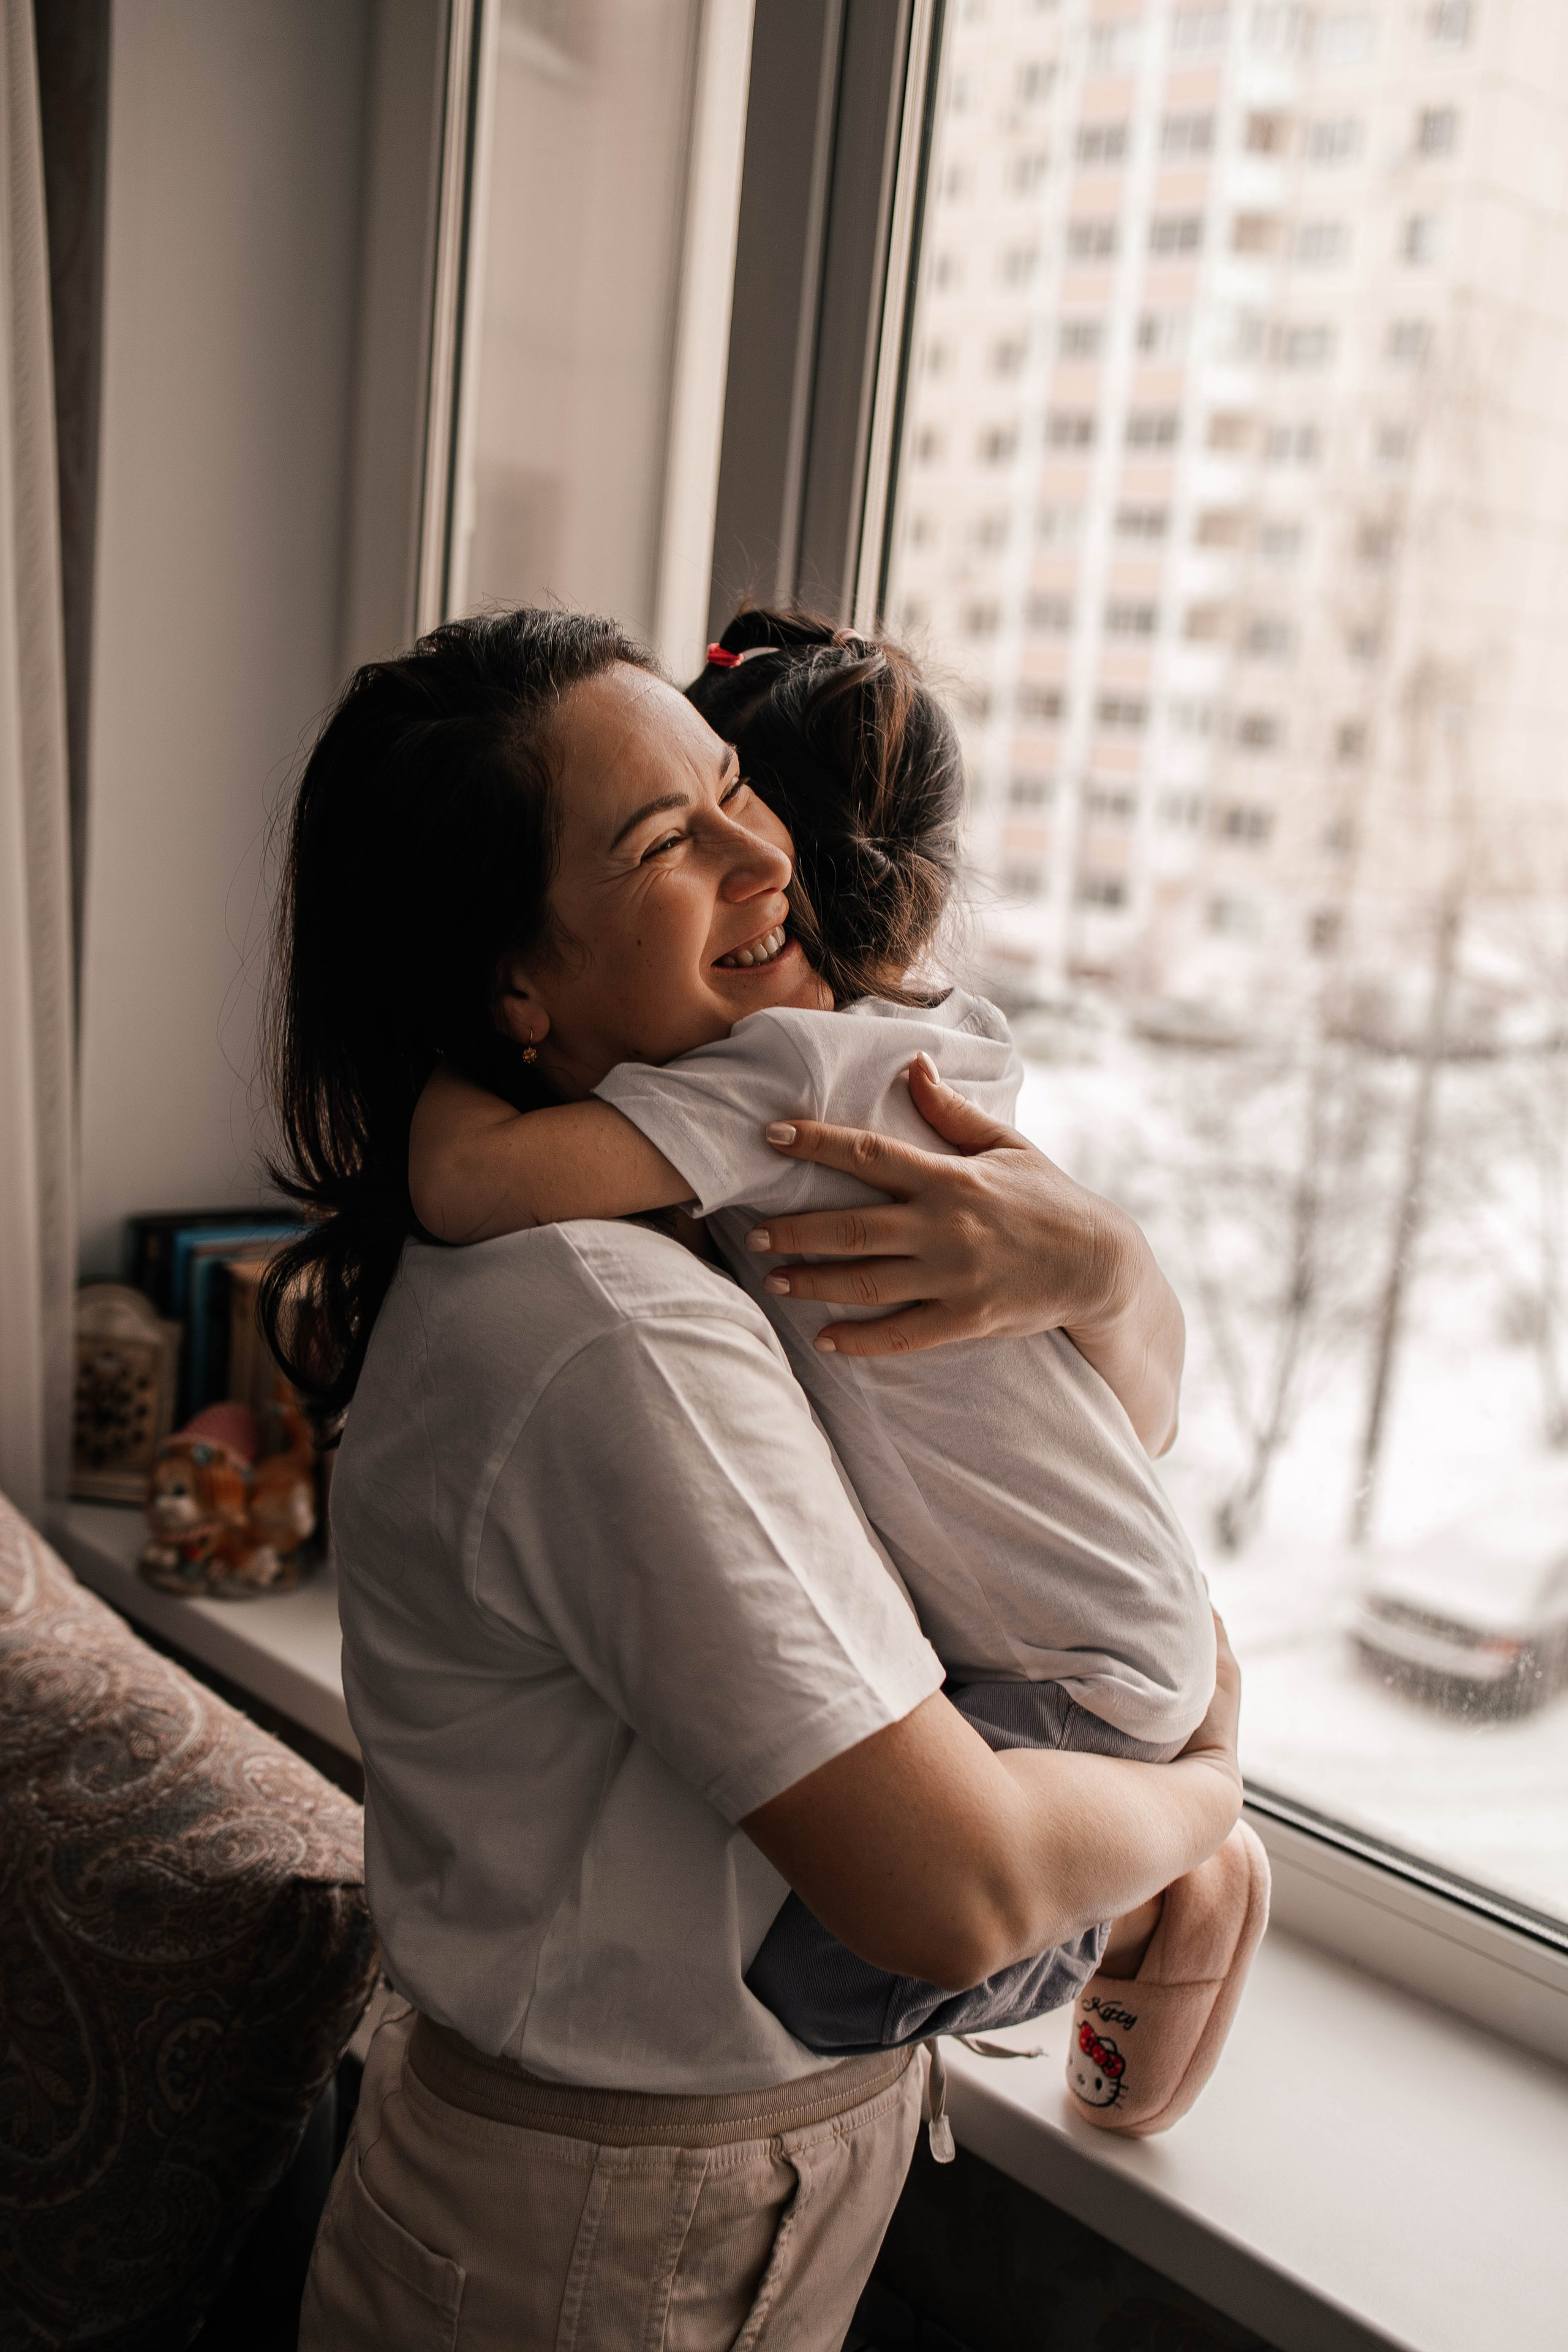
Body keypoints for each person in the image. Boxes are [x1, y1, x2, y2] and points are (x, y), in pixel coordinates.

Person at [262, 609, 1244, 2352]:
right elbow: (956, 1893)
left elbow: (1099, 1443)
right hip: (598, 2248)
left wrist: (1095, 1265)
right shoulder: (611, 1323)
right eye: (664, 840)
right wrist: (1206, 1800)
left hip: (666, 2194)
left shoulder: (717, 1208)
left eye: (732, 788)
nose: (758, 848)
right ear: (513, 985)